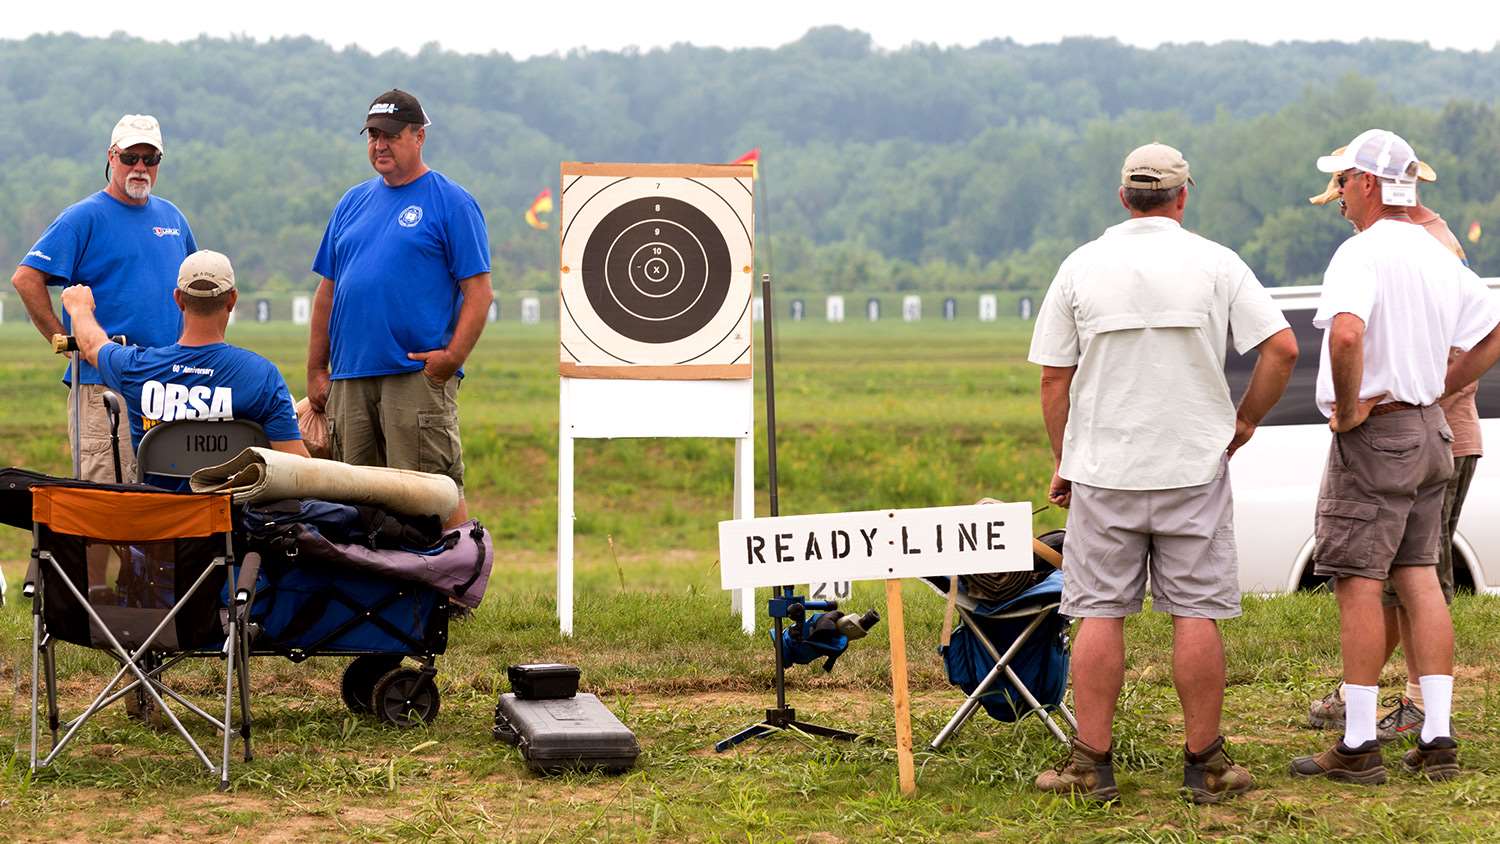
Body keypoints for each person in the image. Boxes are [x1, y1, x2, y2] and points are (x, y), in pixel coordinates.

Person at [1028, 143, 1299, 803]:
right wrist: (1244, 422)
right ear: (1183, 197)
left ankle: (1091, 763)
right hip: (1193, 467)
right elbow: (1283, 348)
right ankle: (1205, 762)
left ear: (1123, 197)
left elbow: (1054, 378)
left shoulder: (1081, 265)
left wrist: (1066, 459)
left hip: (1104, 469)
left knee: (1098, 612)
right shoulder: (1217, 263)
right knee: (1195, 612)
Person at [1290, 129, 1500, 784]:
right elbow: (1493, 332)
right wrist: (1439, 385)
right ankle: (1436, 734)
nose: (1341, 195)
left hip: (1377, 432)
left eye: (1346, 181)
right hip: (1430, 431)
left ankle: (1357, 744)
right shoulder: (1438, 253)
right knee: (1418, 575)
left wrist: (1349, 408)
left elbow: (1347, 332)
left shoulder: (1362, 253)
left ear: (1371, 184)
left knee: (1357, 583)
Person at [306, 89, 492, 527]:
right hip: (350, 379)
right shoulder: (351, 203)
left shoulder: (452, 201)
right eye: (372, 135)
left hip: (413, 376)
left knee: (427, 495)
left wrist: (451, 359)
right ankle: (370, 594)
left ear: (418, 136)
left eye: (390, 135)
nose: (379, 144)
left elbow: (479, 292)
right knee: (352, 501)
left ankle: (450, 588)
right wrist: (317, 369)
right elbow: (326, 293)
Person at [11, 114, 196, 482]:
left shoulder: (172, 217)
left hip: (168, 383)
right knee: (107, 502)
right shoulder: (83, 217)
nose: (140, 168)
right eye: (130, 158)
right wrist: (61, 341)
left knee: (168, 503)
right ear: (111, 157)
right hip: (104, 383)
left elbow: (193, 291)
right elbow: (26, 278)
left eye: (150, 159)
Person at [59, 250, 309, 491]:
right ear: (232, 300)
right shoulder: (263, 376)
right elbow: (297, 468)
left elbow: (91, 346)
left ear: (178, 299)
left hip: (164, 524)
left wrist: (79, 308)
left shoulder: (136, 368)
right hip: (233, 526)